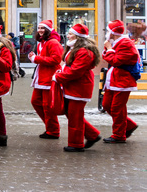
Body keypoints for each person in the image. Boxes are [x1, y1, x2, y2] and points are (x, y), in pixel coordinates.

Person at [53, 24, 101, 152]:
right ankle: (92, 135)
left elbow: (76, 71)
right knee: (72, 114)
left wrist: (58, 77)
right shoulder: (77, 48)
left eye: (70, 33)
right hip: (74, 86)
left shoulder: (84, 51)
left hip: (79, 87)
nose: (68, 35)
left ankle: (76, 144)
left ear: (78, 36)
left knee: (75, 115)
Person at [101, 20, 139, 143]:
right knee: (107, 105)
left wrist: (109, 48)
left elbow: (116, 61)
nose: (107, 33)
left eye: (108, 30)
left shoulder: (126, 43)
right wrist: (109, 49)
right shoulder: (116, 42)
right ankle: (129, 125)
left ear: (112, 32)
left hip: (123, 80)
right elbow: (106, 57)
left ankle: (119, 135)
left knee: (117, 108)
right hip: (113, 80)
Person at [28, 20, 63, 140]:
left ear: (49, 30)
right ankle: (50, 127)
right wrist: (35, 58)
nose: (40, 30)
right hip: (41, 77)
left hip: (49, 77)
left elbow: (56, 59)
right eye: (39, 28)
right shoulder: (41, 43)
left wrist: (36, 59)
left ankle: (53, 131)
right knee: (36, 102)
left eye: (43, 28)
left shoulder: (53, 42)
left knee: (47, 106)